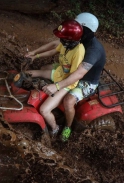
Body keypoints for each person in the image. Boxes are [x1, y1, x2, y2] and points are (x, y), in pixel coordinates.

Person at [25, 13, 106, 142]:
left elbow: (79, 74)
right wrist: (34, 53)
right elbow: (54, 45)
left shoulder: (93, 49)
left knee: (68, 101)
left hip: (85, 81)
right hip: (68, 69)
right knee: (44, 68)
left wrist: (56, 86)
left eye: (78, 25)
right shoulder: (77, 37)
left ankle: (68, 127)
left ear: (85, 28)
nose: (75, 27)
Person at [25, 19, 85, 137]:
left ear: (71, 39)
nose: (60, 40)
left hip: (66, 83)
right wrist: (35, 56)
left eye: (63, 38)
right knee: (29, 73)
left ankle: (55, 128)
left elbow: (74, 77)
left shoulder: (78, 52)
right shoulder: (66, 45)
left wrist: (56, 86)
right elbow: (52, 51)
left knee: (44, 110)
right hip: (60, 73)